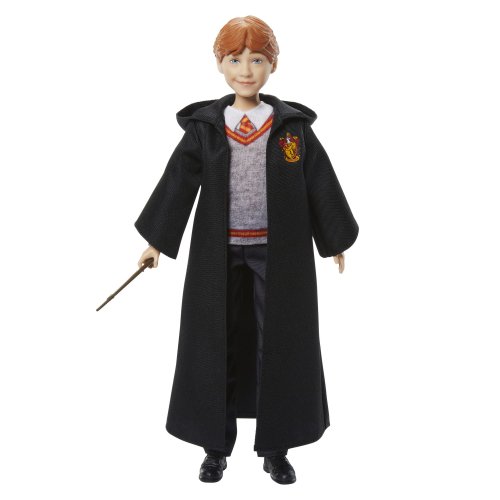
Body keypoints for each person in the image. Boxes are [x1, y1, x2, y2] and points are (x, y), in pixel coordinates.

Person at [135, 15, 359, 484]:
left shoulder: (291, 127)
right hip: (217, 254)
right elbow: (179, 181)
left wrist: (334, 239)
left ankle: (276, 448)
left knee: (280, 342)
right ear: (220, 64)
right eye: (235, 60)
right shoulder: (207, 127)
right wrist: (157, 241)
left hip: (278, 254)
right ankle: (214, 447)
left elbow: (318, 180)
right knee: (214, 342)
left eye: (257, 60)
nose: (246, 71)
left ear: (273, 65)